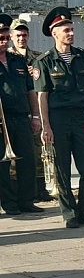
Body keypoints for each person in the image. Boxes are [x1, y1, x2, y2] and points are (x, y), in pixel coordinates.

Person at [32, 7, 84, 228]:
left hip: (81, 119)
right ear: (55, 33)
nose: (71, 33)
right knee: (61, 169)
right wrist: (46, 126)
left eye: (72, 29)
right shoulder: (44, 61)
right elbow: (42, 96)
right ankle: (70, 213)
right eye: (66, 30)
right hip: (58, 120)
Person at [0, 14, 42, 216]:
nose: (4, 40)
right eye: (0, 36)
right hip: (2, 120)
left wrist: (35, 116)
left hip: (21, 117)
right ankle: (9, 203)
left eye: (5, 36)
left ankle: (27, 201)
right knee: (3, 164)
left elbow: (30, 90)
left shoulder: (17, 60)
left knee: (28, 160)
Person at [8, 18, 52, 203]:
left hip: (35, 108)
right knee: (14, 157)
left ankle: (39, 189)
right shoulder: (7, 57)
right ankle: (17, 191)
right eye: (18, 35)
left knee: (38, 149)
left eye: (24, 35)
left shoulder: (37, 57)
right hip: (16, 109)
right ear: (11, 37)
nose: (21, 38)